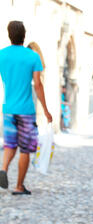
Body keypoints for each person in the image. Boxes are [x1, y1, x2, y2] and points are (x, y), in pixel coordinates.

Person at [0, 21, 52, 195]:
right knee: (25, 148)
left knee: (9, 144)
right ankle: (19, 186)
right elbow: (38, 84)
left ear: (9, 35)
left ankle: (4, 169)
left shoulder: (2, 55)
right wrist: (45, 109)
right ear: (24, 35)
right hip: (26, 111)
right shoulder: (32, 56)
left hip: (8, 108)